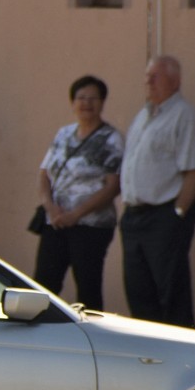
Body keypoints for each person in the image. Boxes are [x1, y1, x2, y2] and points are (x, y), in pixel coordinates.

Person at [119, 55, 195, 327]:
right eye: (147, 76)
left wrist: (177, 213)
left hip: (164, 215)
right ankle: (149, 355)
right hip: (135, 217)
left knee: (171, 293)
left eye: (155, 76)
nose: (148, 81)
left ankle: (181, 354)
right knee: (138, 292)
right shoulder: (143, 116)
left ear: (175, 81)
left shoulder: (186, 116)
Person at [31, 76, 124, 310]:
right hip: (56, 223)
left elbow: (114, 185)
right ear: (72, 103)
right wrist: (50, 207)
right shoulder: (64, 134)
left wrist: (76, 214)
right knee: (44, 284)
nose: (86, 103)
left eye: (93, 98)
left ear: (102, 103)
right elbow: (44, 174)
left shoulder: (111, 138)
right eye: (81, 98)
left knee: (88, 288)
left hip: (91, 226)